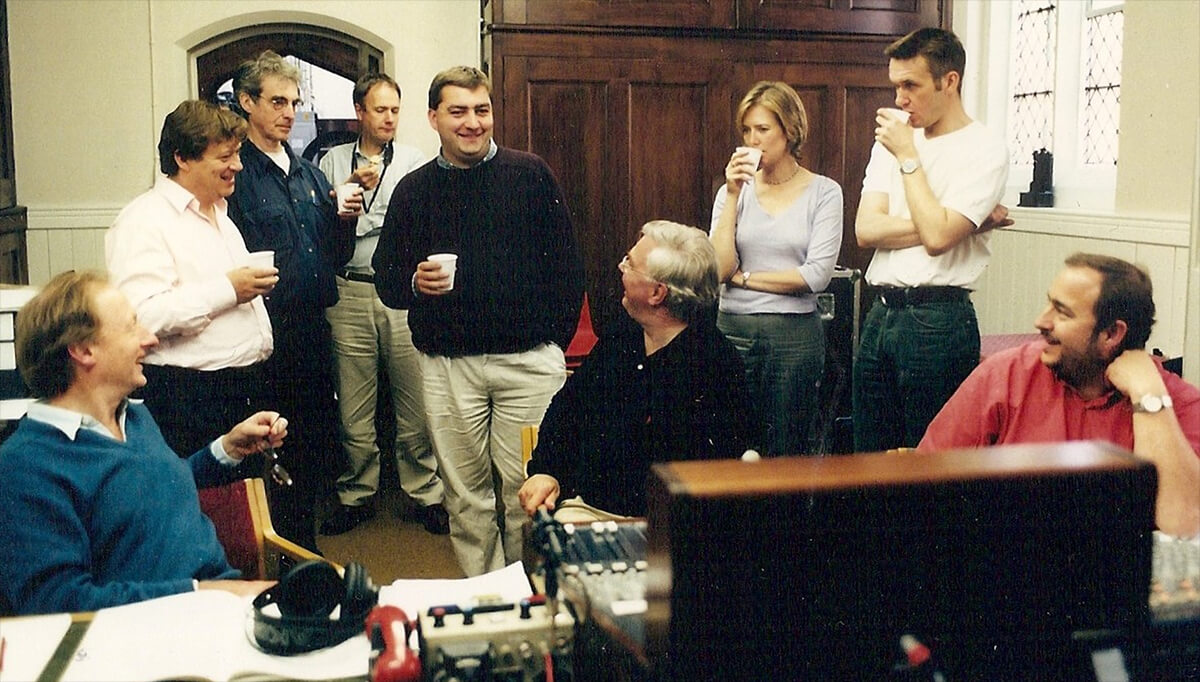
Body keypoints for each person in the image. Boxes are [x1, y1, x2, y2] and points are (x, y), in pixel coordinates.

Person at [374, 65, 584, 576]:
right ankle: (488, 595)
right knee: (466, 499)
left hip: (528, 367)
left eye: (482, 110)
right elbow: (385, 276)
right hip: (449, 370)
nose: (473, 122)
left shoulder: (530, 174)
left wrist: (551, 345)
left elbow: (569, 264)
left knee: (527, 494)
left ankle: (530, 597)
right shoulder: (413, 190)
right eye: (459, 111)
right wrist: (413, 285)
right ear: (433, 118)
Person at [0, 271, 286, 615]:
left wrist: (225, 449)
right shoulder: (25, 466)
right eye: (131, 327)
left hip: (220, 609)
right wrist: (201, 593)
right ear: (83, 350)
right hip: (151, 642)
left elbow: (154, 490)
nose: (150, 339)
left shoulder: (134, 418)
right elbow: (58, 603)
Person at [920, 254, 1200, 538]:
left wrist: (1147, 393)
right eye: (1048, 303)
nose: (1040, 321)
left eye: (1062, 312)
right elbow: (923, 485)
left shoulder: (1178, 402)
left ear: (1112, 334)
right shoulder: (1005, 374)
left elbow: (1184, 526)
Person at [519, 221, 753, 518]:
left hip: (667, 527)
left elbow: (707, 483)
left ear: (657, 293)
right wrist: (547, 471)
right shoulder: (625, 333)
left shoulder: (714, 364)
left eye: (630, 264)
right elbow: (569, 407)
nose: (621, 268)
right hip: (589, 507)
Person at [853, 27, 1012, 452]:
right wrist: (964, 222)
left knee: (928, 461)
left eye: (911, 85)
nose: (899, 99)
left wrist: (908, 156)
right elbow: (866, 231)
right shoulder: (892, 139)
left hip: (937, 321)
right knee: (868, 458)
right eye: (896, 86)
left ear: (950, 81)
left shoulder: (983, 147)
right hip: (880, 315)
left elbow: (940, 237)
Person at [227, 50, 360, 552]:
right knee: (268, 444)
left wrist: (343, 218)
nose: (289, 112)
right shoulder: (236, 175)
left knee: (311, 438)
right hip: (262, 332)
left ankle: (304, 546)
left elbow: (335, 255)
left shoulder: (309, 175)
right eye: (277, 101)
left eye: (295, 102)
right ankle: (277, 548)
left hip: (312, 327)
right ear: (247, 103)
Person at [106, 99, 277, 461]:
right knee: (202, 505)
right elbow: (141, 316)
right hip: (190, 400)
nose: (238, 166)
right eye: (225, 157)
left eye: (237, 154)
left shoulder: (220, 214)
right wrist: (230, 290)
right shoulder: (144, 221)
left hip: (242, 388)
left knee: (242, 509)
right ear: (182, 158)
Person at [317, 73, 447, 536]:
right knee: (354, 403)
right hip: (348, 291)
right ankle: (356, 493)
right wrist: (349, 191)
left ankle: (426, 493)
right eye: (380, 110)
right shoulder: (329, 163)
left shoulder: (415, 162)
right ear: (360, 113)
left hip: (399, 293)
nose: (389, 118)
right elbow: (321, 227)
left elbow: (420, 224)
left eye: (395, 109)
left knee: (414, 401)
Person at [710, 81, 843, 456]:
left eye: (763, 130)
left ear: (790, 131)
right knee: (731, 445)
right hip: (733, 328)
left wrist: (746, 279)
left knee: (786, 447)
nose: (753, 140)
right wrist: (734, 194)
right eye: (747, 131)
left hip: (793, 335)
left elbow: (814, 276)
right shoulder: (730, 193)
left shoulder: (824, 192)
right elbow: (719, 269)